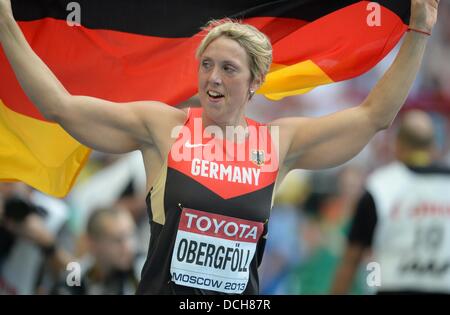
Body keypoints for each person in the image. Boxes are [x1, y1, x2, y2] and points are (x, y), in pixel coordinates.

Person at [0, 0, 440, 294]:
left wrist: (419, 30)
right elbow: (59, 106)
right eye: (206, 65)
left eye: (229, 69)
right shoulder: (161, 127)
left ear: (254, 84)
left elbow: (373, 117)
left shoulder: (277, 144)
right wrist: (5, 23)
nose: (213, 77)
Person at [331, 110, 450, 295]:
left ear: (398, 145)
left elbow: (351, 260)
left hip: (393, 287)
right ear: (434, 147)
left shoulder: (380, 187)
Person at [52, 207, 142, 295]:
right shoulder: (75, 275)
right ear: (92, 243)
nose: (129, 246)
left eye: (131, 235)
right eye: (118, 239)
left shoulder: (143, 269)